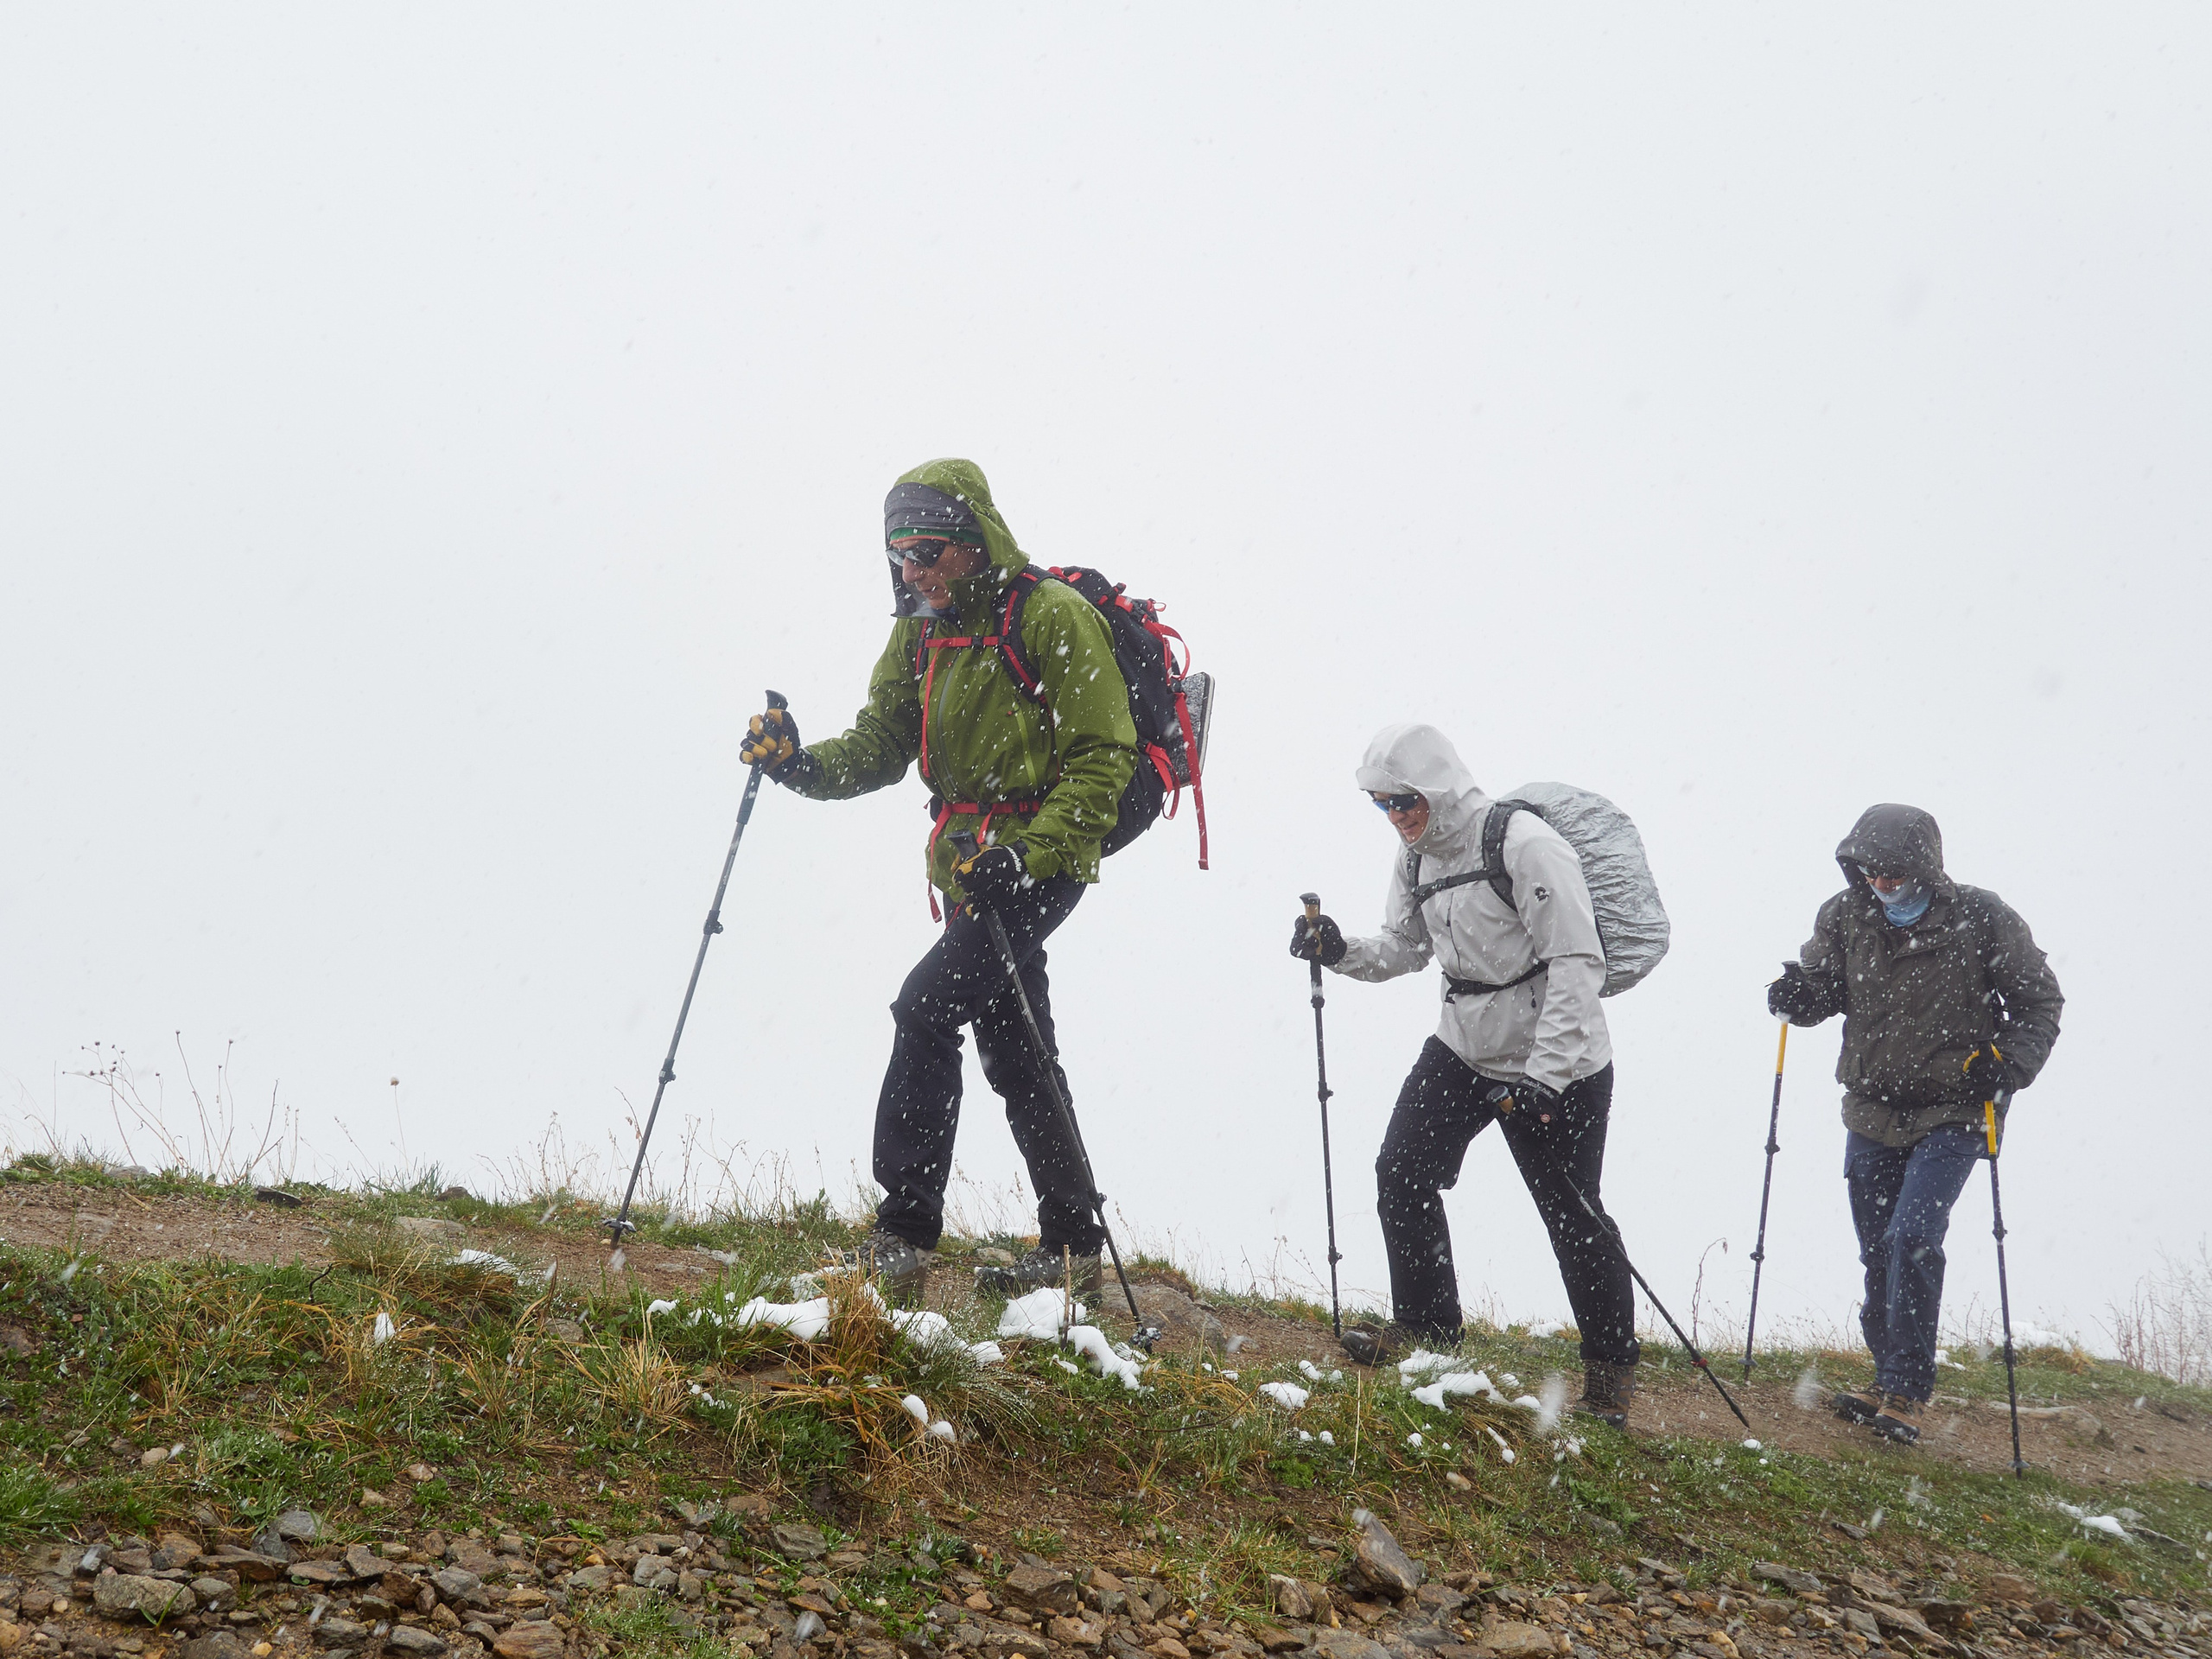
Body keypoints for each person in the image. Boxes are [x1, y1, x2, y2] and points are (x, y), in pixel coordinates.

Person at [738, 459, 1138, 1302]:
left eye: (926, 551)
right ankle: (1073, 1252)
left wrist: (1026, 856)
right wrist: (799, 764)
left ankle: (903, 1237)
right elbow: (882, 743)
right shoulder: (921, 629)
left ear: (973, 539)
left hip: (1039, 861)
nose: (912, 571)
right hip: (966, 866)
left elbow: (1105, 759)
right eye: (899, 555)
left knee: (923, 1009)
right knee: (1017, 1047)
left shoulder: (1050, 616)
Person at [1290, 724, 1640, 1427]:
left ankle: (1609, 1378)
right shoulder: (1415, 857)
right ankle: (1427, 1331)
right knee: (1402, 1170)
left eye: (1405, 800)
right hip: (1464, 1044)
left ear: (1439, 787)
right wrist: (1340, 950)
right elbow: (1406, 945)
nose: (1396, 816)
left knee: (1572, 1213)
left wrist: (1545, 1079)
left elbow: (1578, 963)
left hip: (1561, 1059)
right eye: (1382, 804)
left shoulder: (1525, 845)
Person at [1768, 804, 2062, 1446]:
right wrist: (1798, 997)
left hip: (1957, 1108)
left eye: (1894, 872)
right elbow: (1824, 990)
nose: (1882, 883)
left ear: (1925, 865)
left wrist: (2008, 1065)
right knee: (1878, 1246)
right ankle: (1886, 1377)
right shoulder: (1845, 916)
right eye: (1870, 871)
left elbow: (2039, 1001)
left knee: (1914, 1236)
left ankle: (1906, 1390)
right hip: (1872, 1108)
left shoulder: (1981, 916)